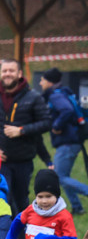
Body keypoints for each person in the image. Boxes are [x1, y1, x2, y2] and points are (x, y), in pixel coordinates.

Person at [0, 59, 52, 228]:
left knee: (21, 197)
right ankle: (7, 233)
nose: (7, 74)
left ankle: (24, 232)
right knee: (4, 195)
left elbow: (47, 122)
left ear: (19, 74)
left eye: (11, 70)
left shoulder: (33, 97)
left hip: (23, 159)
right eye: (4, 71)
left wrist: (22, 130)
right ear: (0, 74)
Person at [39, 67, 88, 215]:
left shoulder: (55, 96)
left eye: (42, 80)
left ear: (48, 81)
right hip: (72, 141)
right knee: (62, 175)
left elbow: (67, 110)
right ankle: (77, 207)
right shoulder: (63, 92)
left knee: (59, 176)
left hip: (68, 142)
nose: (40, 83)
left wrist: (56, 126)